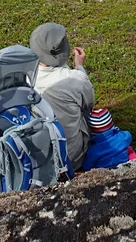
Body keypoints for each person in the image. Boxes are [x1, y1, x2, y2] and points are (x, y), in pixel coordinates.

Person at [29, 22, 95, 172]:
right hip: (71, 158)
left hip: (34, 158)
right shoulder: (76, 79)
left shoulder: (22, 77)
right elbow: (89, 104)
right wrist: (79, 67)